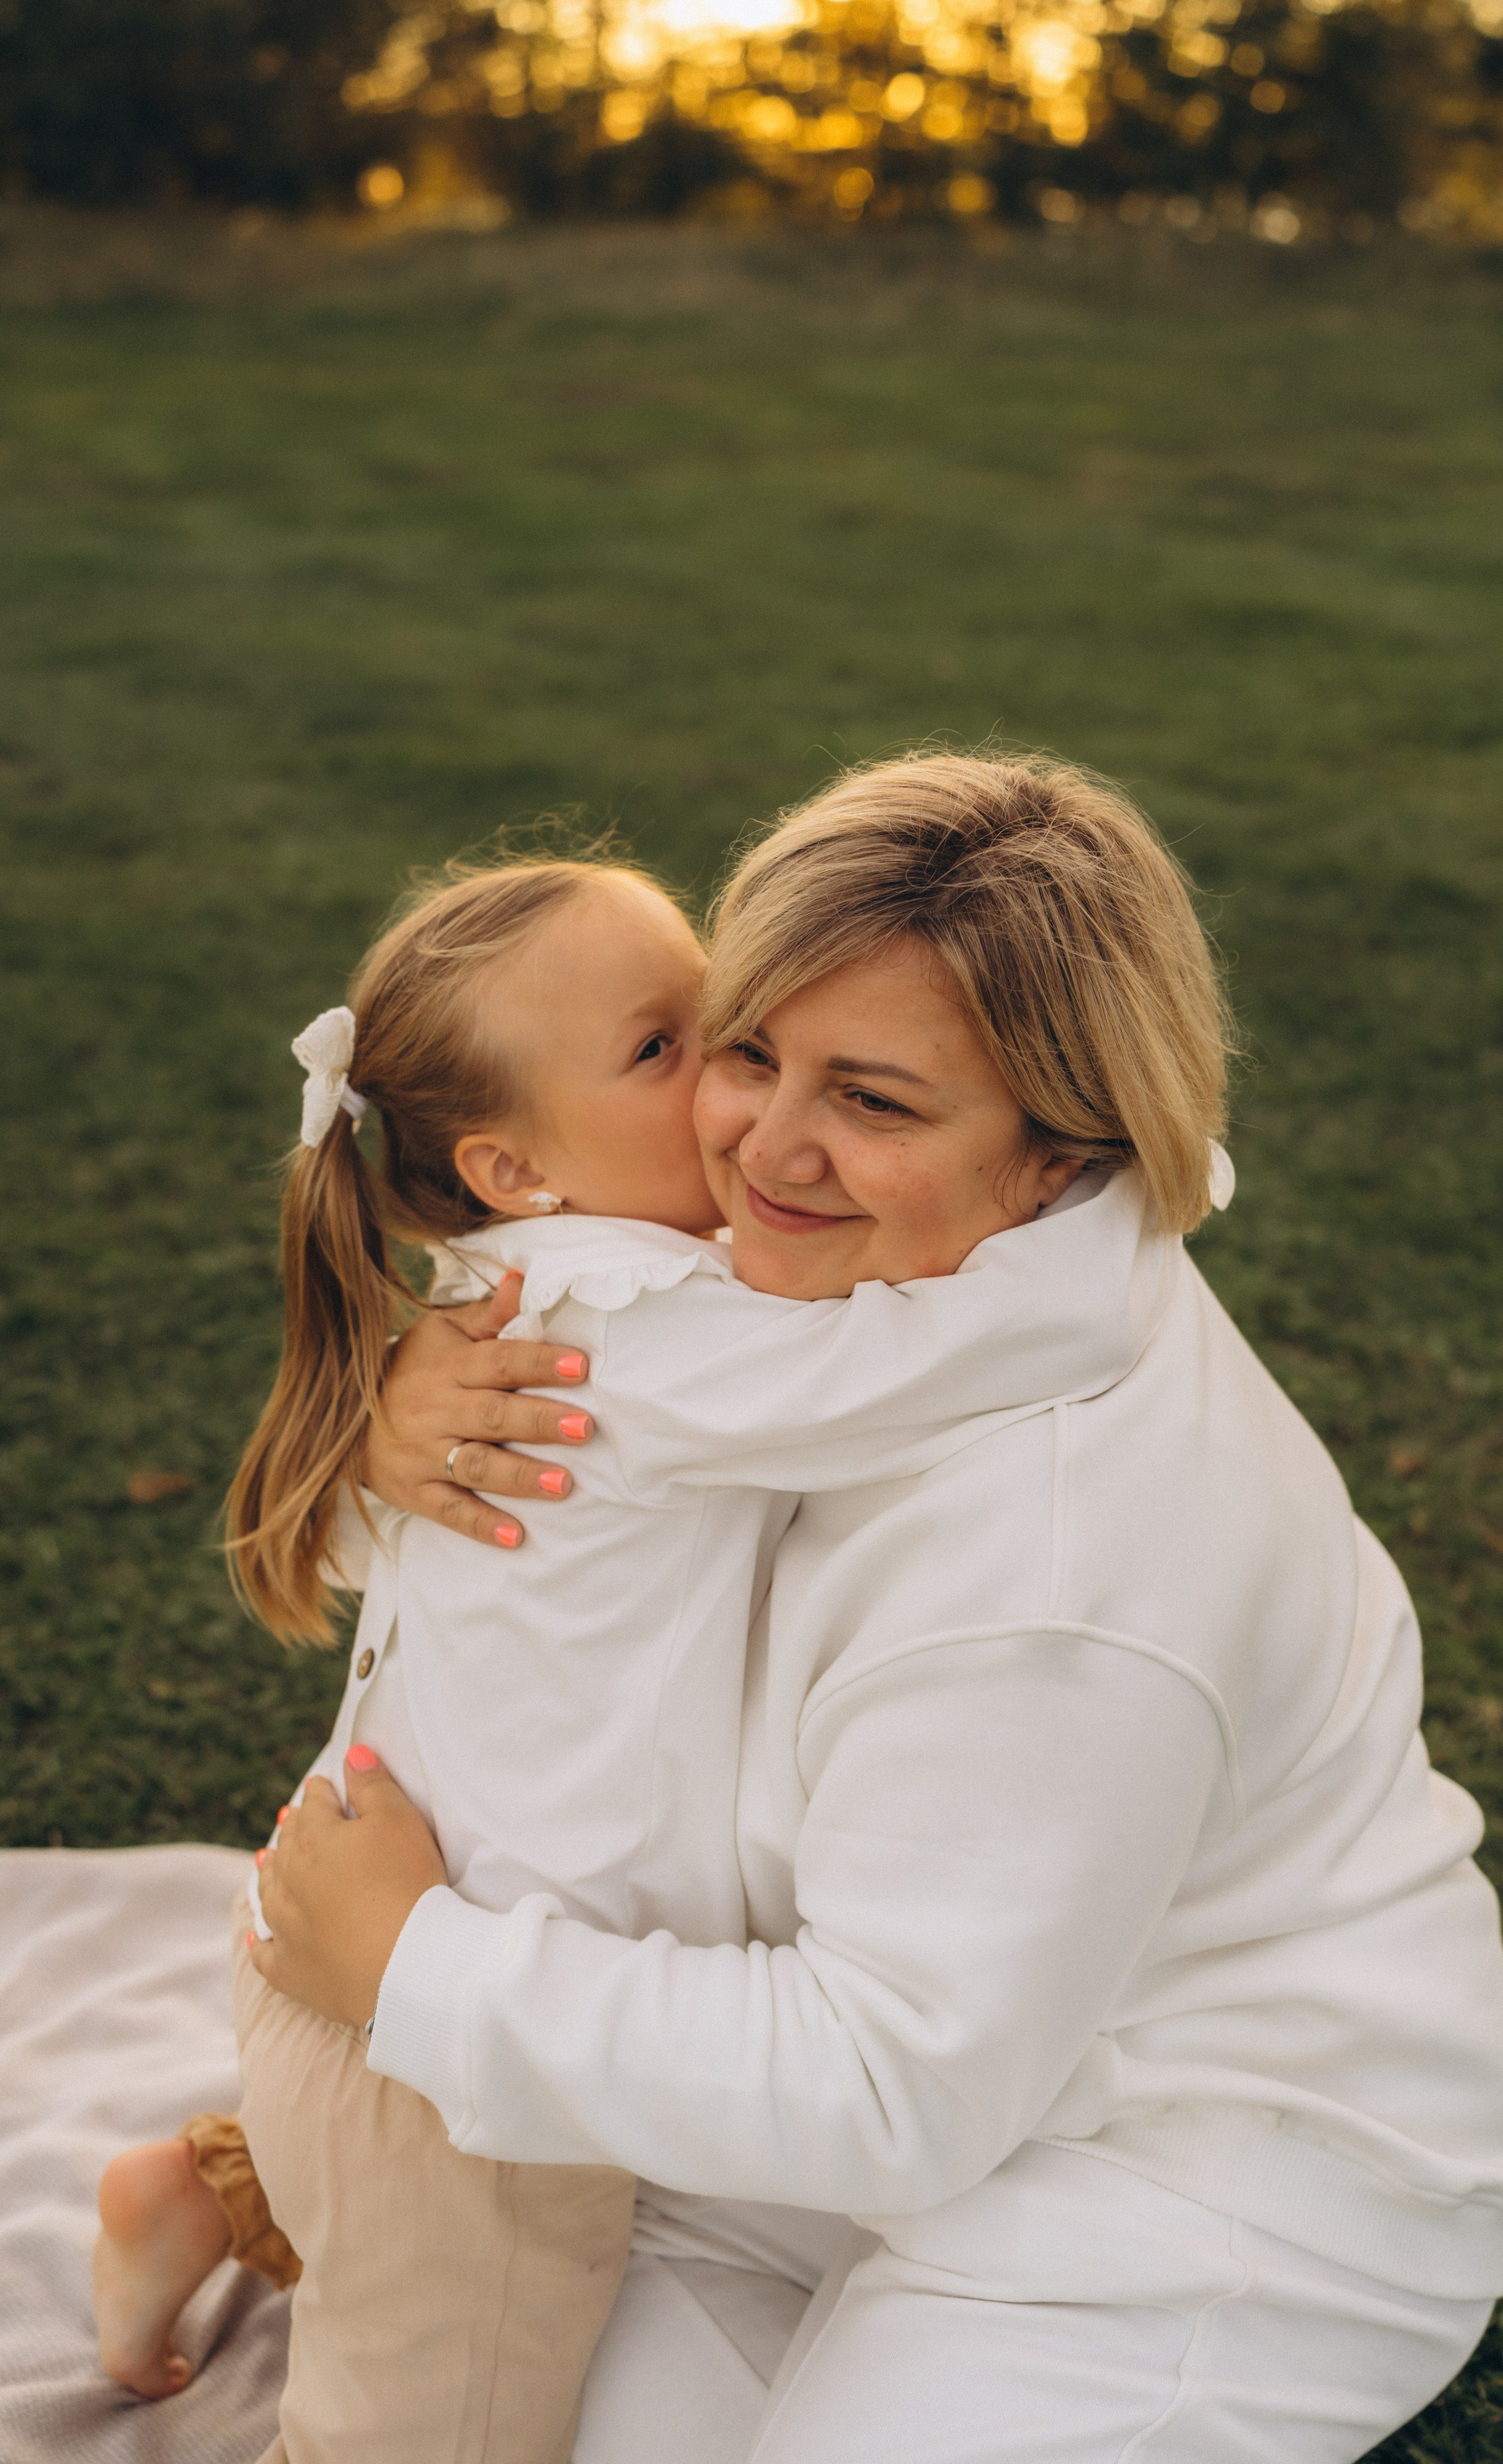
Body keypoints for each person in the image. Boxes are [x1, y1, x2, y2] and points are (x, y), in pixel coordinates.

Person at [253, 751, 1503, 2464]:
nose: (765, 1150)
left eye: (874, 1101)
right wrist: (407, 1423)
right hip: (780, 2128)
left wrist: (421, 1968)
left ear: (1058, 1157)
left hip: (1176, 2180)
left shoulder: (1075, 1559)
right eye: (745, 1048)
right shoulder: (799, 1303)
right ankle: (245, 2189)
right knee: (498, 2392)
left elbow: (899, 2085)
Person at [92, 841, 1160, 2464]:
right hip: (443, 2025)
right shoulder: (653, 1344)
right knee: (447, 2414)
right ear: (516, 1169)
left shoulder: (520, 1297)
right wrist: (1129, 1173)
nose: (738, 1085)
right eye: (673, 1048)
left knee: (401, 2247)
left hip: (361, 1948)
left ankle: (214, 2193)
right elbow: (1005, 1340)